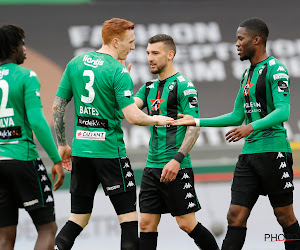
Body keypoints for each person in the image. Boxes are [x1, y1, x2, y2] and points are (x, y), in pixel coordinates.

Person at [172, 18, 300, 250]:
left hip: (274, 152)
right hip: (249, 155)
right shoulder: (246, 75)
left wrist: (250, 127)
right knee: (235, 216)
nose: (237, 44)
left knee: (285, 218)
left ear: (257, 40)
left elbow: (283, 111)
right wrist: (197, 120)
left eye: (241, 39)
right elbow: (235, 116)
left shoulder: (276, 69)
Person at [52, 18, 173, 250]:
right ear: (116, 41)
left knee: (78, 218)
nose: (134, 47)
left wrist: (62, 144)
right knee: (128, 220)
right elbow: (133, 117)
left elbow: (58, 107)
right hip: (110, 154)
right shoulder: (117, 71)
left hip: (81, 152)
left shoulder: (75, 63)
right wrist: (157, 118)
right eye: (131, 41)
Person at [134, 34, 219, 250]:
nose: (150, 58)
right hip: (152, 167)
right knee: (145, 224)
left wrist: (176, 160)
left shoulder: (184, 86)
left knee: (186, 224)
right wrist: (121, 86)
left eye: (155, 53)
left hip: (175, 166)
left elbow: (194, 126)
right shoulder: (148, 87)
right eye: (147, 54)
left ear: (170, 54)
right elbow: (129, 111)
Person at [0, 25, 65, 250]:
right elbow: (37, 122)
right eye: (22, 43)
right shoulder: (26, 76)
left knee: (4, 237)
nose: (24, 49)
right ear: (12, 47)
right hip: (23, 159)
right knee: (47, 229)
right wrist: (56, 159)